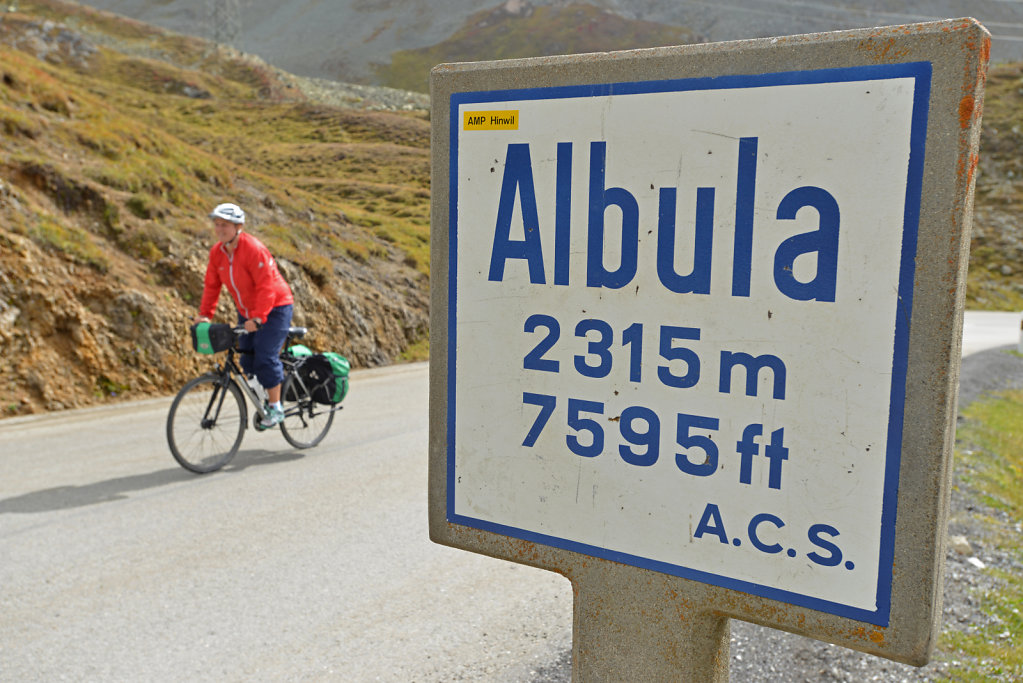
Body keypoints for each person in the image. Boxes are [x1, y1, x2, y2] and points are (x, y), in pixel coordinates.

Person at [193, 202, 294, 428]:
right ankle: (265, 396)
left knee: (266, 357)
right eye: (217, 225)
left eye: (225, 225)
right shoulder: (217, 253)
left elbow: (266, 286)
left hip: (276, 307)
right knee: (246, 359)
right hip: (247, 312)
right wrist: (205, 315)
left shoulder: (253, 249)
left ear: (239, 226)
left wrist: (258, 318)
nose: (219, 229)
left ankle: (276, 407)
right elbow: (211, 286)